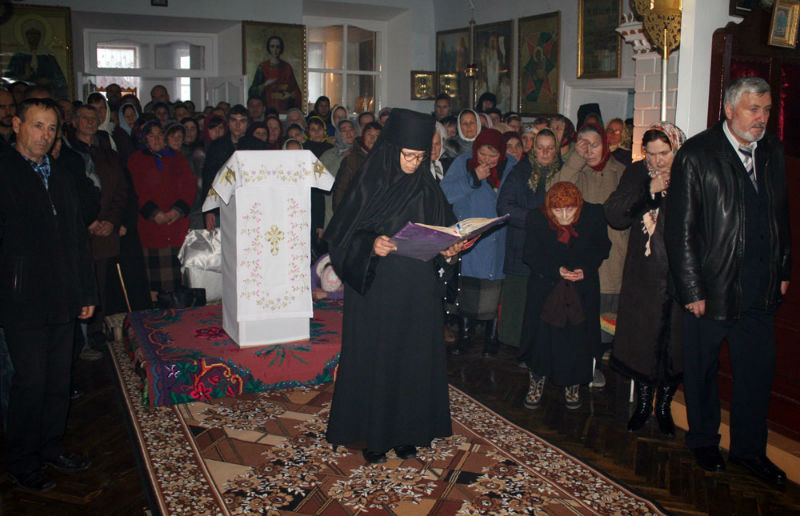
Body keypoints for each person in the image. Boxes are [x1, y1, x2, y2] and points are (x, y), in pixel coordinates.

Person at [664, 77, 790, 485]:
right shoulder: (697, 154)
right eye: (754, 109)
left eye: (766, 110)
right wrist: (691, 289)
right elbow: (679, 230)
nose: (761, 118)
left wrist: (783, 269)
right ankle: (703, 440)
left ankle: (749, 451)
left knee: (756, 374)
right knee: (701, 371)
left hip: (759, 287)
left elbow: (781, 215)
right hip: (711, 287)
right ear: (730, 110)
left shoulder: (771, 151)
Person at [324, 108, 461, 464]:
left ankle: (408, 433)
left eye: (420, 157)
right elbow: (340, 236)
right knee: (379, 358)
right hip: (378, 288)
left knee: (413, 358)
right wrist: (371, 244)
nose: (415, 163)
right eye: (409, 156)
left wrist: (450, 248)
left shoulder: (427, 185)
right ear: (391, 150)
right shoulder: (369, 182)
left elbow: (446, 228)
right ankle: (374, 437)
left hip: (418, 288)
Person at [0, 98, 97, 492]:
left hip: (63, 295)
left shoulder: (60, 175)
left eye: (52, 128)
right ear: (17, 125)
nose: (45, 135)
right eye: (37, 125)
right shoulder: (5, 171)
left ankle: (51, 446)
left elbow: (77, 239)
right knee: (30, 382)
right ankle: (22, 459)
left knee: (59, 379)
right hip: (20, 299)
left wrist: (86, 291)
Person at [604, 122, 686, 436]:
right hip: (644, 275)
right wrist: (648, 191)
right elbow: (614, 214)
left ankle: (663, 407)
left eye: (663, 153)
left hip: (679, 276)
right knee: (642, 343)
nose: (657, 160)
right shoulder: (638, 173)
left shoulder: (689, 174)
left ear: (676, 149)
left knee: (674, 346)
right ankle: (642, 406)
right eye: (650, 154)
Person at [551, 122, 627, 389]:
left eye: (595, 145)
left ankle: (595, 365)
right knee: (580, 316)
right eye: (583, 145)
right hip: (580, 258)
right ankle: (580, 366)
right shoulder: (575, 170)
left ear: (605, 145)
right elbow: (553, 193)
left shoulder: (620, 171)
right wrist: (575, 160)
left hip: (613, 256)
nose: (589, 151)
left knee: (606, 318)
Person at [521, 182, 611, 410]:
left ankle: (573, 384)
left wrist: (585, 269)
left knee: (577, 338)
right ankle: (536, 380)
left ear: (578, 206)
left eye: (569, 209)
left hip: (581, 289)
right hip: (547, 288)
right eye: (557, 210)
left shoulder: (593, 215)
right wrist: (556, 270)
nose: (563, 216)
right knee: (542, 338)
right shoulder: (537, 218)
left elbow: (602, 247)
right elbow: (530, 254)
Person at [440, 128, 514, 356]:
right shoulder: (463, 163)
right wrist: (473, 179)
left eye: (493, 156)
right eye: (482, 154)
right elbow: (444, 193)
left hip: (499, 237)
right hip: (471, 235)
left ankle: (491, 338)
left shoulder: (511, 165)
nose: (487, 160)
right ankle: (465, 336)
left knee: (494, 288)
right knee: (467, 288)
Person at [498, 129, 562, 362]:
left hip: (552, 251)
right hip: (522, 247)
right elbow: (504, 207)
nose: (545, 153)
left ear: (556, 150)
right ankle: (517, 350)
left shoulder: (563, 172)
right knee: (519, 304)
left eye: (550, 148)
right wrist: (535, 219)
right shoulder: (520, 171)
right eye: (540, 148)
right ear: (533, 149)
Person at [128, 121, 196, 300]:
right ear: (144, 139)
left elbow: (189, 187)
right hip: (152, 228)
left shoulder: (177, 157)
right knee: (156, 286)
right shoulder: (136, 159)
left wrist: (177, 211)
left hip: (177, 227)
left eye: (160, 135)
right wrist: (155, 213)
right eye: (152, 136)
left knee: (180, 284)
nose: (157, 139)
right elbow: (136, 190)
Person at [331, 121, 381, 211]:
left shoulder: (385, 159)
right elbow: (341, 189)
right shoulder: (352, 159)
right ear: (363, 135)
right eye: (369, 134)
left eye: (377, 135)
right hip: (355, 211)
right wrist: (339, 213)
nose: (372, 138)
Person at [248, 35, 302, 112]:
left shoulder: (287, 67)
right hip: (267, 108)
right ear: (269, 48)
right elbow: (252, 91)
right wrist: (265, 84)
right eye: (272, 46)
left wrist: (290, 95)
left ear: (281, 49)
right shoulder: (263, 67)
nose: (275, 50)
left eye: (278, 47)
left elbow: (296, 91)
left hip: (284, 108)